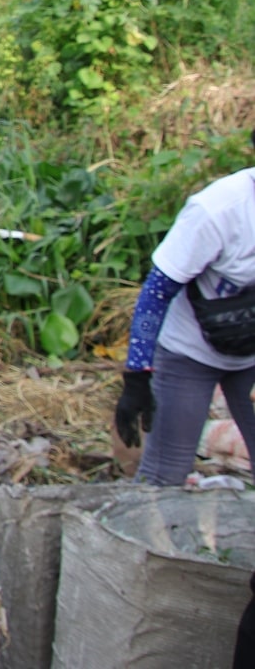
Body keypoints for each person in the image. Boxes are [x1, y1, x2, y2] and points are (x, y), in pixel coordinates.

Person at [115, 132, 255, 487]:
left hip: (251, 350)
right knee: (165, 476)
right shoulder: (217, 212)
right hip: (191, 353)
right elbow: (156, 293)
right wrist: (137, 378)